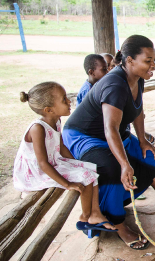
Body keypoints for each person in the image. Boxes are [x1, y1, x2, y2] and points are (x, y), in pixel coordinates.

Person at [63, 35, 155, 250]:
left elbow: (138, 110)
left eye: (154, 59)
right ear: (129, 61)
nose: (154, 64)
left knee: (148, 155)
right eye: (148, 60)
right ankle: (119, 225)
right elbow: (110, 129)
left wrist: (143, 140)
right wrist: (125, 164)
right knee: (113, 167)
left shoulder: (138, 77)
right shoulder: (114, 85)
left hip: (111, 133)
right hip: (84, 136)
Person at [14, 82, 116, 233]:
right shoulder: (38, 128)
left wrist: (77, 163)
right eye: (64, 100)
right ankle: (85, 217)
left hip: (52, 163)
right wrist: (67, 184)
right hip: (36, 172)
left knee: (89, 167)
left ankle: (96, 214)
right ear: (48, 110)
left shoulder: (56, 121)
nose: (69, 101)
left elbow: (61, 147)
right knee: (85, 175)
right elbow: (42, 163)